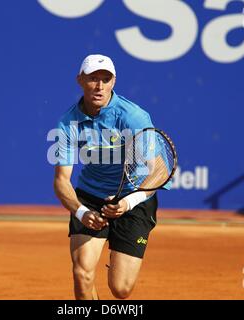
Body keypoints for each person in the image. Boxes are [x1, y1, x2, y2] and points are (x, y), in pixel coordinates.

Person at [53, 54, 164, 300]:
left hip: (134, 197)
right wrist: (82, 211)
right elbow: (61, 181)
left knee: (121, 289)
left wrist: (128, 202)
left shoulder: (133, 117)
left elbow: (159, 170)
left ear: (114, 82)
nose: (99, 86)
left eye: (106, 79)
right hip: (91, 196)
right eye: (93, 78)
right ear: (80, 80)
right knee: (83, 273)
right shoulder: (67, 123)